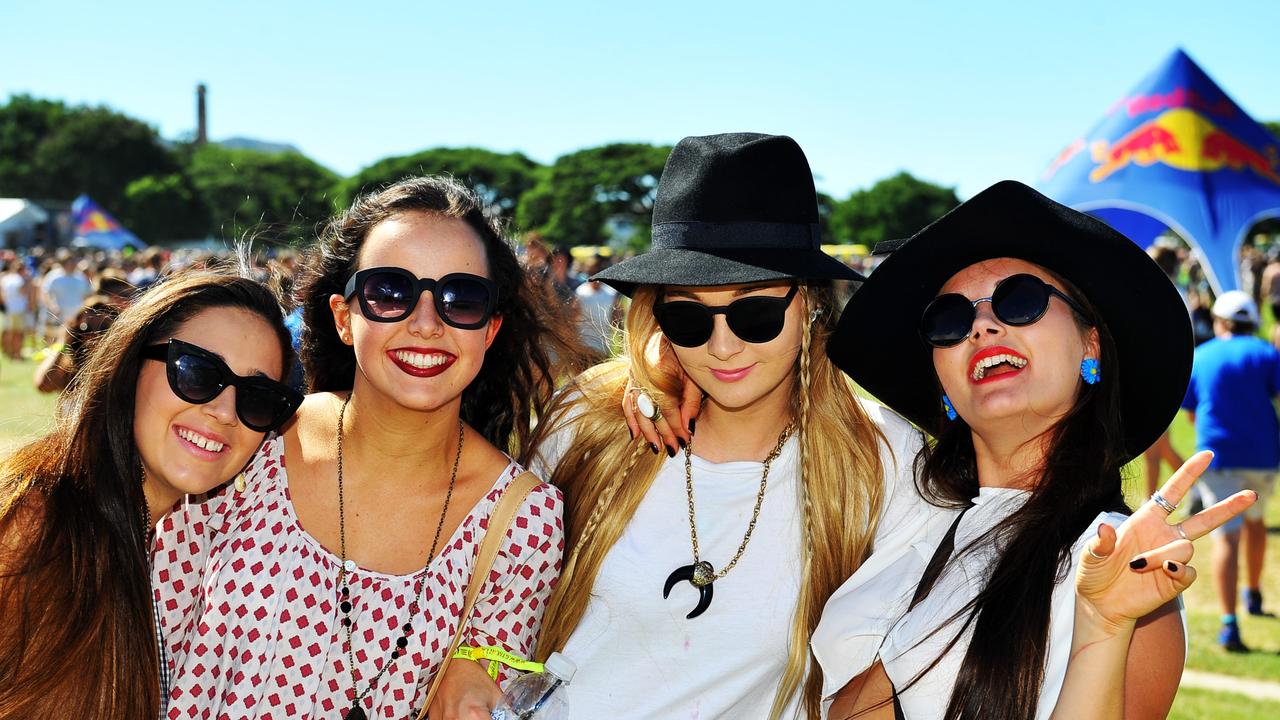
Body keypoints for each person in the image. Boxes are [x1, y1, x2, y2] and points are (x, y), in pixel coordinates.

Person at [447, 133, 930, 720]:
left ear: (812, 305)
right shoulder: (589, 422)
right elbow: (494, 593)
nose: (723, 347)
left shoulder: (880, 459)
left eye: (755, 312)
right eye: (688, 315)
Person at [815, 180, 1254, 720]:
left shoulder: (1118, 564)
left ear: (1090, 345)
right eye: (948, 320)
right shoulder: (906, 513)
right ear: (942, 385)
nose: (981, 325)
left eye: (1019, 300)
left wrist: (1105, 627)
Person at [153, 176, 587, 719]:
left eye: (462, 299)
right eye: (390, 291)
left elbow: (492, 675)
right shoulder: (256, 439)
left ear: (490, 329)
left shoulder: (523, 521)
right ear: (343, 317)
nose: (426, 324)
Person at [0, 267, 302, 717]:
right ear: (131, 363)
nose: (223, 411)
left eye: (257, 397)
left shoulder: (176, 536)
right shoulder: (38, 522)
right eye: (198, 372)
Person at [1180, 289, 1280, 650]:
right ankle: (1253, 594)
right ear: (1252, 322)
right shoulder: (1267, 353)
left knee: (1227, 537)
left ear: (1220, 322)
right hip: (1263, 456)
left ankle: (1229, 623)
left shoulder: (1202, 355)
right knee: (1256, 523)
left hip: (1217, 457)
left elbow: (1191, 412)